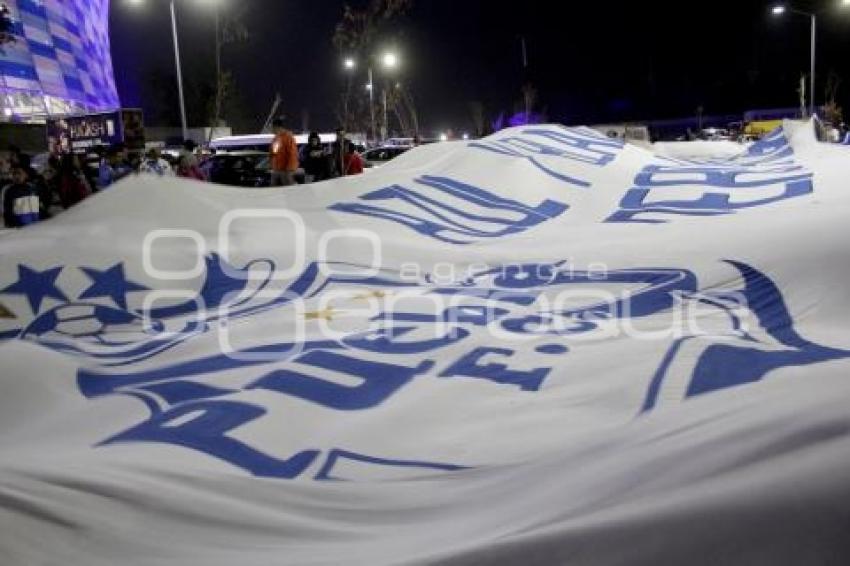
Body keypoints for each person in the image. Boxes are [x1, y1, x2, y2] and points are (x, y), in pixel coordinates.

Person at [269, 118, 298, 186]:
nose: (271, 130)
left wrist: (289, 170)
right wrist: (272, 166)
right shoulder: (276, 138)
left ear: (276, 127)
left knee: (287, 190)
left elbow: (292, 154)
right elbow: (274, 153)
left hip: (285, 171)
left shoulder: (288, 137)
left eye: (271, 127)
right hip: (276, 170)